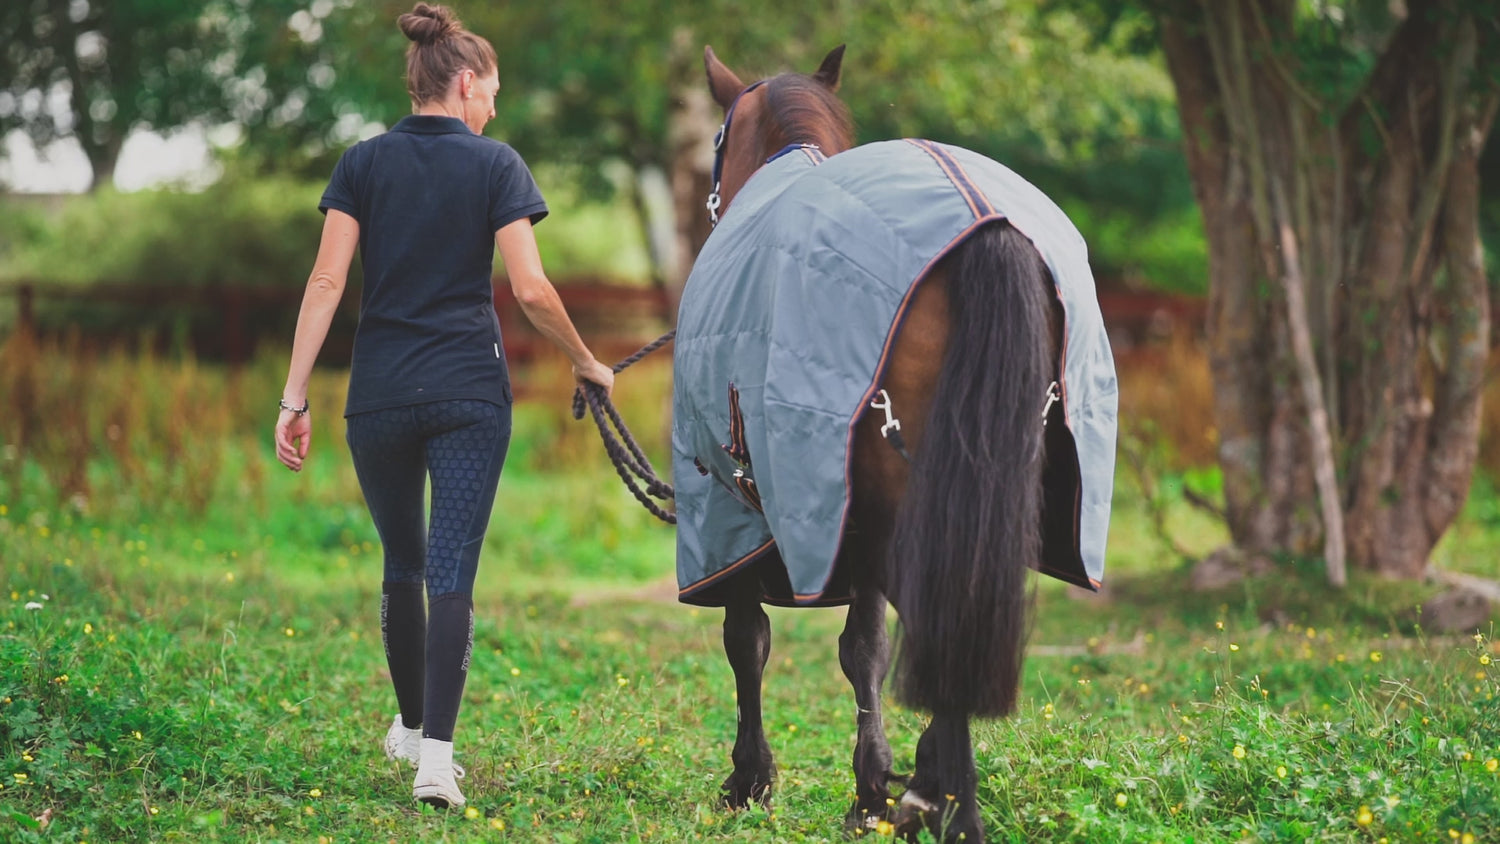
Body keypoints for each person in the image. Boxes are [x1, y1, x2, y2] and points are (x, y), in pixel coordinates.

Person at [273, 1, 614, 809]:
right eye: (491, 90)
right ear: (464, 84)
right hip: (468, 393)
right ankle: (436, 760)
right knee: (453, 573)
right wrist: (587, 361)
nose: (494, 106)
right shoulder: (497, 165)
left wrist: (294, 397)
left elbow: (325, 283)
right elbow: (529, 288)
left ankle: (411, 727)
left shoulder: (361, 163)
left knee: (404, 567)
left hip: (380, 397)